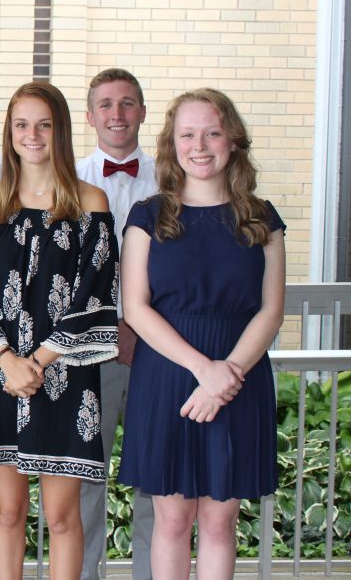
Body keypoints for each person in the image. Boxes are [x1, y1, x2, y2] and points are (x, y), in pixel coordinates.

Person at [118, 88, 285, 580]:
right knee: (171, 519)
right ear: (172, 143)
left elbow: (271, 311)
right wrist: (204, 371)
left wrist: (226, 375)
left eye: (212, 132)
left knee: (220, 518)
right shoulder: (148, 216)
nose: (200, 145)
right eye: (187, 134)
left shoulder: (262, 218)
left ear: (232, 140)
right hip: (168, 376)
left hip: (241, 375)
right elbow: (136, 309)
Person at [0, 81, 119, 580]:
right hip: (0, 374)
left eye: (44, 124)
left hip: (67, 377)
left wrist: (42, 360)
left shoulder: (90, 202)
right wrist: (8, 359)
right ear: (9, 132)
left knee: (61, 516)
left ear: (61, 131)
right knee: (7, 512)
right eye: (22, 125)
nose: (32, 135)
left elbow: (97, 292)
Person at [74, 68, 156, 580]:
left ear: (143, 113)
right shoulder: (69, 178)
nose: (117, 115)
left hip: (156, 351)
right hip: (89, 351)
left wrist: (138, 327)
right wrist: (111, 327)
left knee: (156, 476)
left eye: (127, 104)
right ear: (90, 116)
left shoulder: (174, 179)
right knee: (85, 476)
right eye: (106, 104)